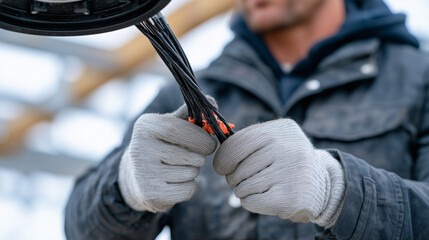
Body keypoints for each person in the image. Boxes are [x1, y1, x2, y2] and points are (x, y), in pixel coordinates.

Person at [65, 0, 429, 239]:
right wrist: (125, 188)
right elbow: (77, 227)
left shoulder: (418, 80)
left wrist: (337, 192)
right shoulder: (188, 90)